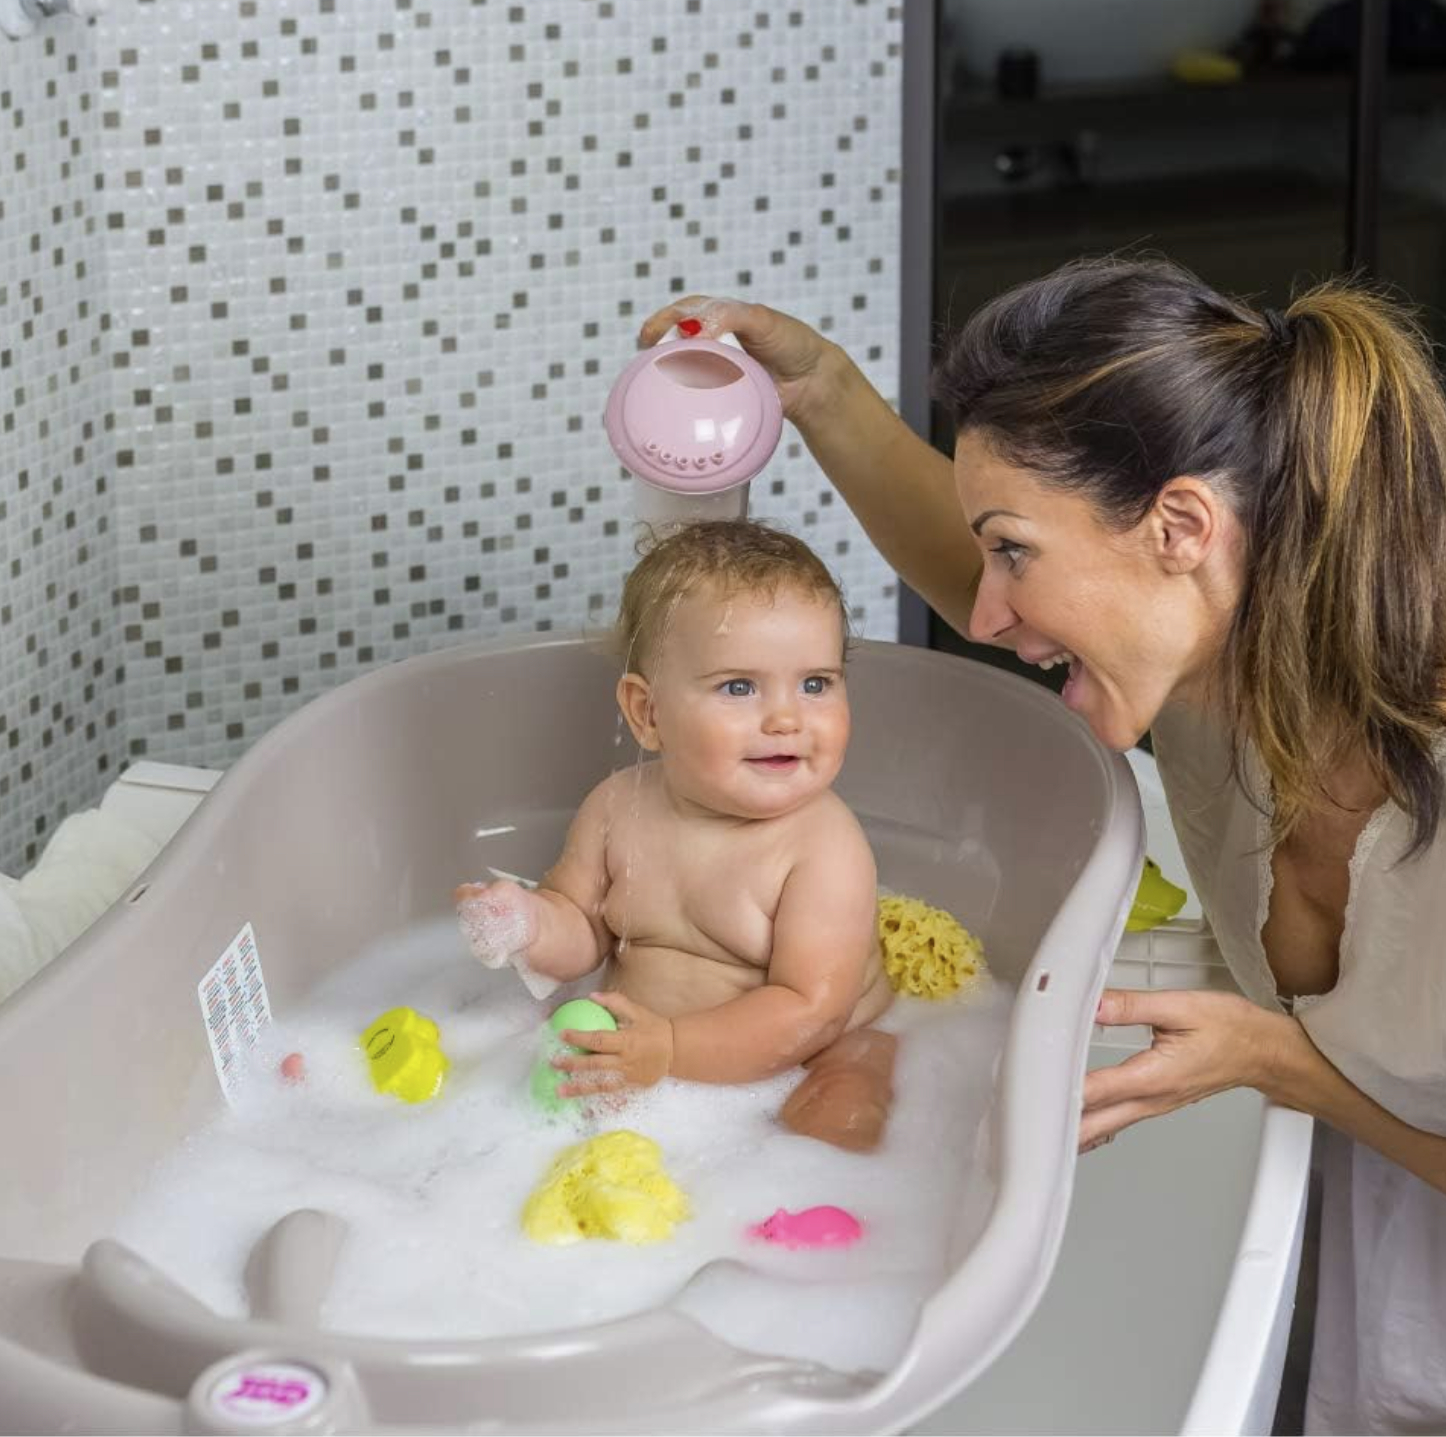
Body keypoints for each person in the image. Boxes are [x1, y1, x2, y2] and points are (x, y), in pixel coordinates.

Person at [635, 260, 1446, 1434]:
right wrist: (817, 389)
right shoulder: (1215, 655)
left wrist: (1281, 1066)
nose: (984, 616)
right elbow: (975, 564)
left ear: (1181, 526)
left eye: (1014, 553)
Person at [455, 518, 897, 1152]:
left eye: (816, 683)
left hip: (819, 1050)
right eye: (739, 687)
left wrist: (669, 1048)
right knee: (524, 1099)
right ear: (648, 712)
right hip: (647, 1051)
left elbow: (811, 1010)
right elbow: (581, 933)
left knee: (841, 1113)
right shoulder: (617, 808)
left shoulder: (823, 847)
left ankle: (802, 1211)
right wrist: (526, 925)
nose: (786, 717)